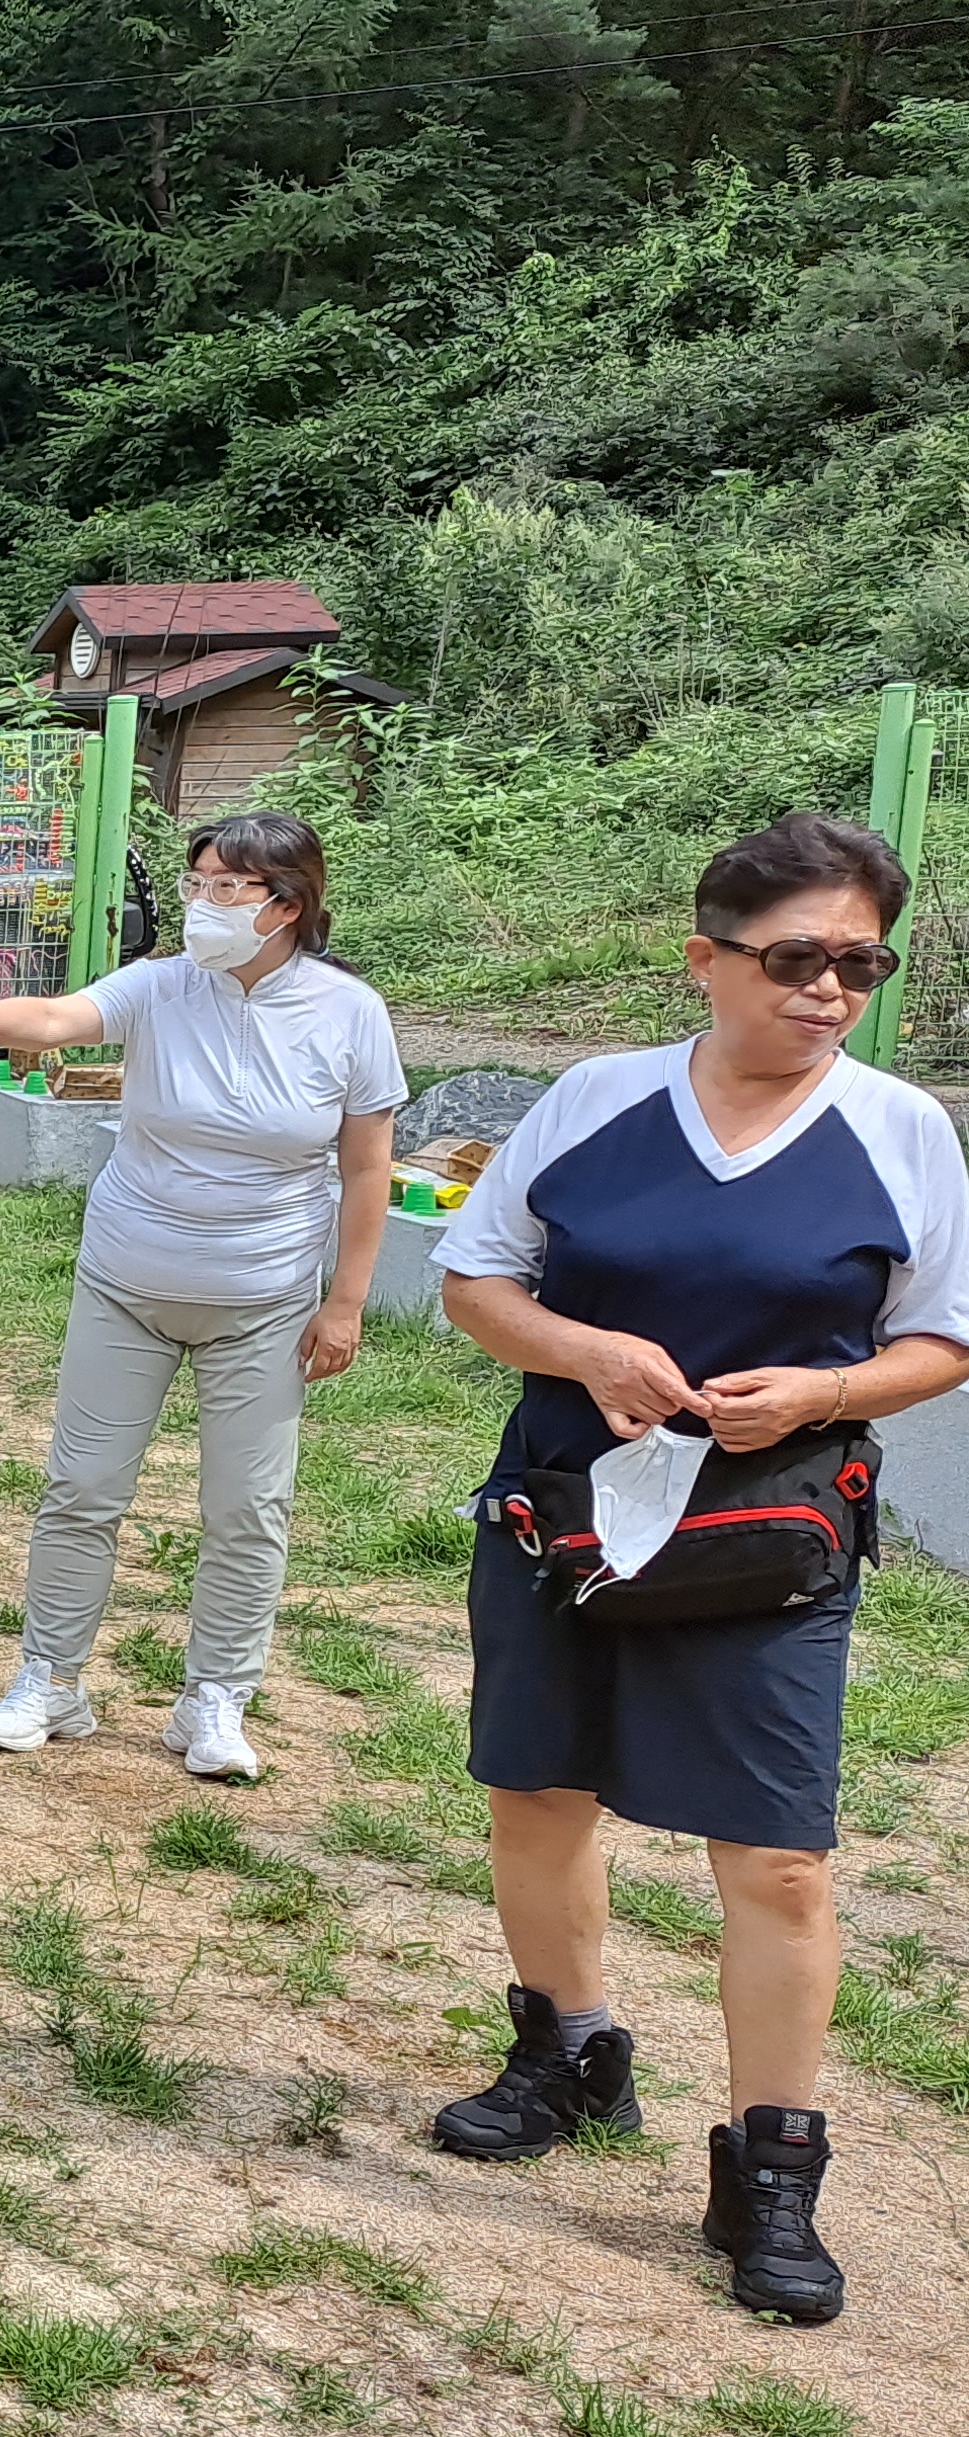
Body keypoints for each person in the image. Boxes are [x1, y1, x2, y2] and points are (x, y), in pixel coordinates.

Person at [428, 814, 969, 2325]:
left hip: (767, 1539)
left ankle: (772, 2171)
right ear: (707, 961)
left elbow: (942, 1335)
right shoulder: (598, 1101)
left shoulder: (901, 1129)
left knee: (779, 1857)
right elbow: (477, 1276)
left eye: (860, 963)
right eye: (795, 959)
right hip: (572, 1508)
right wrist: (585, 1349)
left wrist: (825, 1393)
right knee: (538, 1790)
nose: (828, 992)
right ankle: (570, 2049)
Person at [0, 812, 401, 1785]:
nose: (201, 905)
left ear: (285, 905)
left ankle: (214, 1699)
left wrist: (345, 1302)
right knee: (81, 1489)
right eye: (195, 884)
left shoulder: (348, 1014)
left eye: (226, 890)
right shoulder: (163, 986)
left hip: (264, 1297)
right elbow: (58, 1018)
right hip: (126, 1279)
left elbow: (368, 1168)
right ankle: (49, 1682)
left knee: (246, 1506)